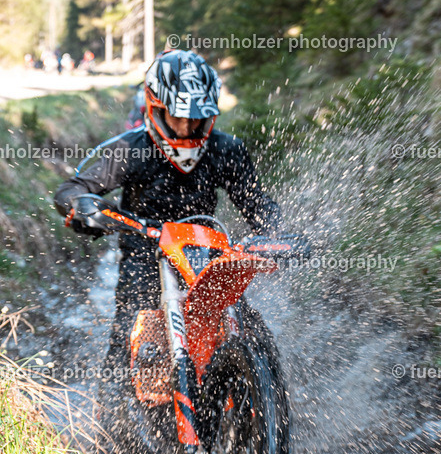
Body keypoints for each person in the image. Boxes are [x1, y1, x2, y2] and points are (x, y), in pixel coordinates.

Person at [53, 48, 282, 414]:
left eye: (198, 120)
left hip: (204, 251)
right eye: (177, 118)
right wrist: (85, 208)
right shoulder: (129, 149)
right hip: (146, 250)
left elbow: (259, 205)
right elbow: (71, 189)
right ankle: (109, 438)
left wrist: (274, 233)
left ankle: (259, 401)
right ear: (155, 109)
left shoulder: (227, 150)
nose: (187, 129)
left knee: (245, 317)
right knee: (130, 332)